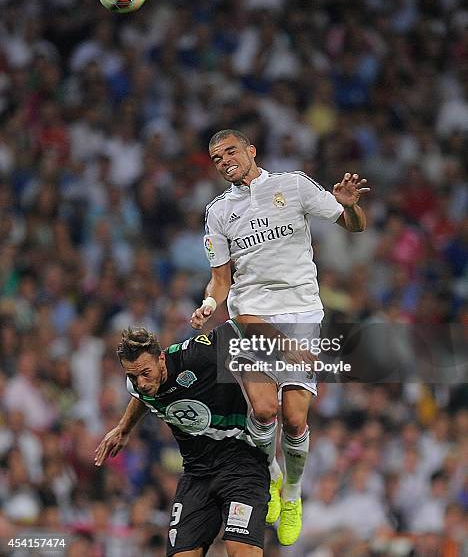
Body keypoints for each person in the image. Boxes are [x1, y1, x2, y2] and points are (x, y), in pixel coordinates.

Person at [191, 129, 370, 545]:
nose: (224, 160)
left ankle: (291, 493)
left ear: (251, 151)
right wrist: (208, 303)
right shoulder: (218, 212)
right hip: (250, 310)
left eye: (230, 151)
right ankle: (270, 476)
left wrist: (352, 206)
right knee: (265, 412)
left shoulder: (292, 185)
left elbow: (353, 225)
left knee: (294, 419)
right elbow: (221, 280)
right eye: (216, 158)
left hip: (302, 308)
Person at [94, 322, 270, 557]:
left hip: (241, 463)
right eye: (133, 376)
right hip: (197, 474)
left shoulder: (198, 354)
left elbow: (240, 327)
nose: (142, 383)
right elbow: (141, 397)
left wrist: (288, 347)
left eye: (146, 373)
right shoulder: (137, 384)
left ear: (162, 360)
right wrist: (123, 428)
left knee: (241, 551)